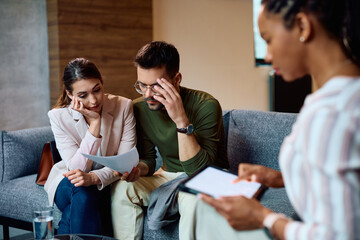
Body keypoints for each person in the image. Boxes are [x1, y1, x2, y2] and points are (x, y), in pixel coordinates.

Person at [195, 0, 360, 239]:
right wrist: (280, 178)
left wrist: (264, 218)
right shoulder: (346, 94)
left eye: (268, 39)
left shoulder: (331, 113)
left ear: (302, 25)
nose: (268, 55)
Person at [111, 41, 229, 240]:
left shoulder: (206, 105)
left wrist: (181, 120)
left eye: (156, 86)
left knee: (192, 199)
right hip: (167, 176)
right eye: (142, 85)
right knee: (123, 188)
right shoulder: (139, 108)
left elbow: (199, 172)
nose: (148, 94)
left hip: (208, 178)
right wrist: (137, 170)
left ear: (176, 79)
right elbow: (148, 159)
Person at [44, 57, 136, 235]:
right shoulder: (58, 116)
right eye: (83, 95)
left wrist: (94, 178)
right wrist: (95, 125)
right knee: (82, 189)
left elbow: (126, 163)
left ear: (102, 83)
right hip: (68, 182)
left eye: (97, 90)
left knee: (83, 198)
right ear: (70, 95)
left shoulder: (123, 107)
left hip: (105, 182)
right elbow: (77, 169)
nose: (93, 101)